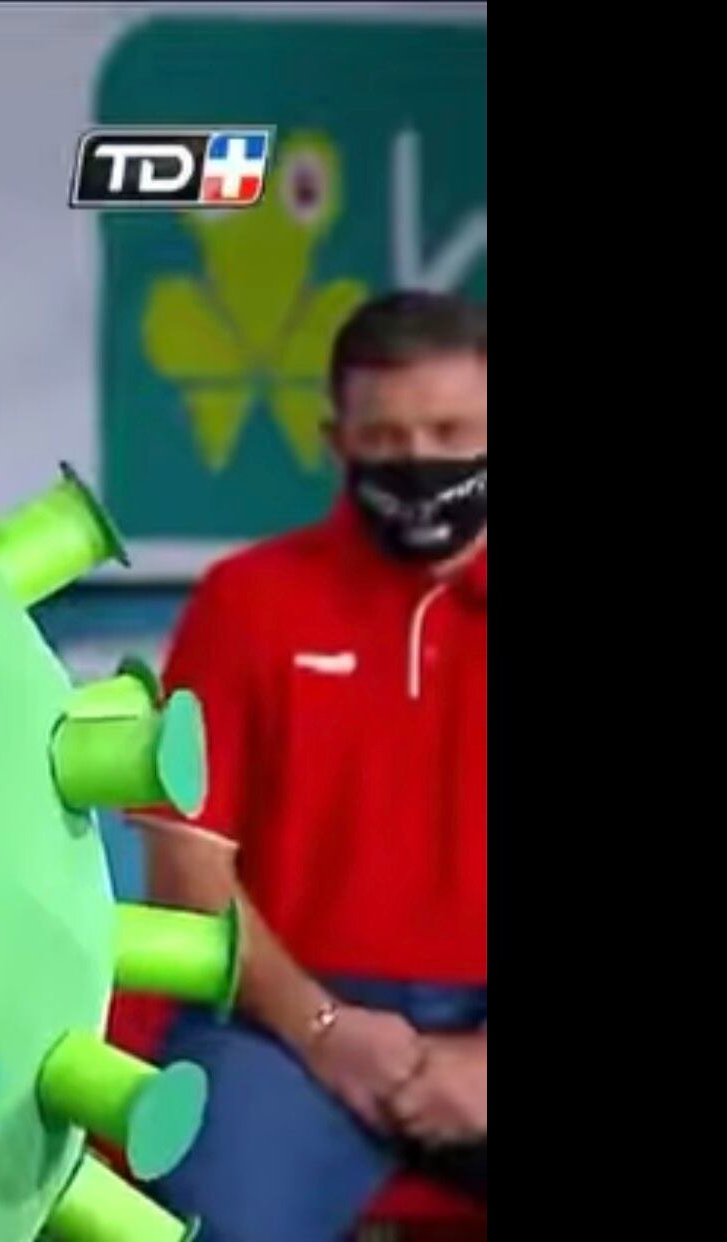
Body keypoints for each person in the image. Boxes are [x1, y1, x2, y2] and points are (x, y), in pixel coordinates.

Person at [137, 290, 487, 1240]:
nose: (420, 461)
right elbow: (186, 872)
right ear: (337, 444)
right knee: (217, 1219)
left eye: (451, 432)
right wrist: (327, 1031)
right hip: (285, 1023)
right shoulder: (247, 601)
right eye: (386, 437)